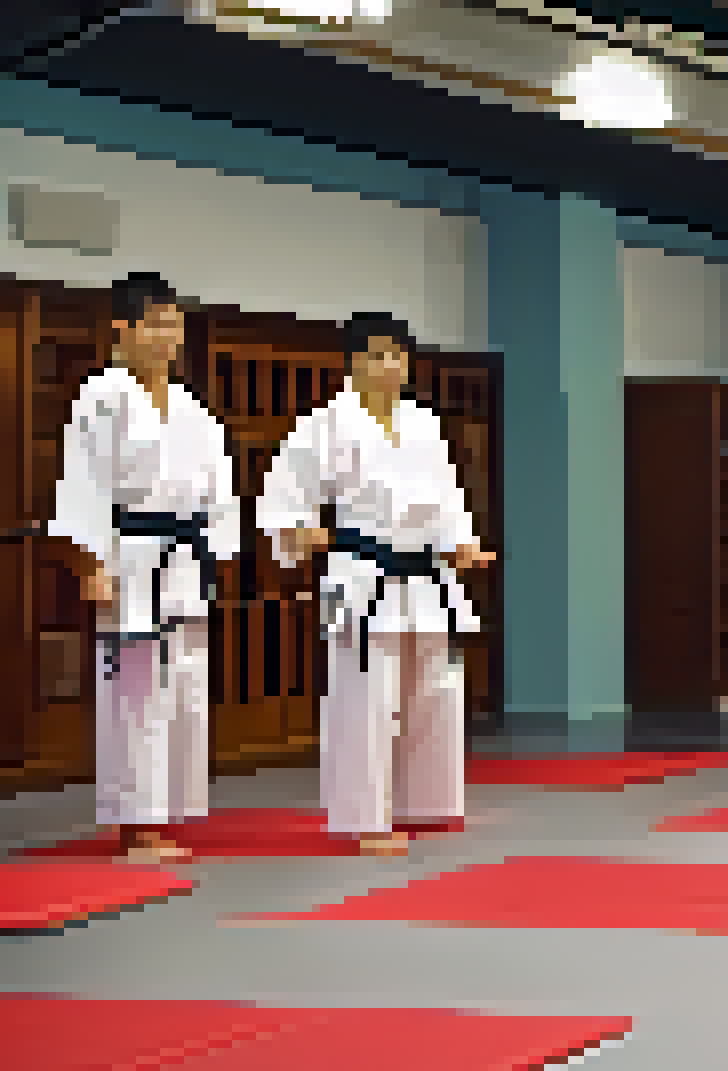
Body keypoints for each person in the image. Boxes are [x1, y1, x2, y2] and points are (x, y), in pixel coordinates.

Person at [260, 313, 491, 857]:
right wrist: (307, 533)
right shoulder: (324, 424)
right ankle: (362, 817)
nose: (391, 366)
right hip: (360, 571)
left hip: (425, 574)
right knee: (363, 696)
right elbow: (283, 498)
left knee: (433, 689)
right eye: (379, 355)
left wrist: (461, 542)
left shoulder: (423, 423)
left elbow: (449, 498)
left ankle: (427, 804)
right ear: (353, 362)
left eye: (398, 356)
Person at [48, 272, 241, 864]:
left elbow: (220, 490)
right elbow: (84, 485)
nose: (167, 335)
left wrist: (220, 549)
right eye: (155, 322)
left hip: (184, 558)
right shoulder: (101, 396)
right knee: (135, 691)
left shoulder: (190, 407)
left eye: (173, 323)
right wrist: (91, 563)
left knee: (183, 688)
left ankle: (165, 813)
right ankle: (135, 823)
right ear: (123, 330)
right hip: (131, 557)